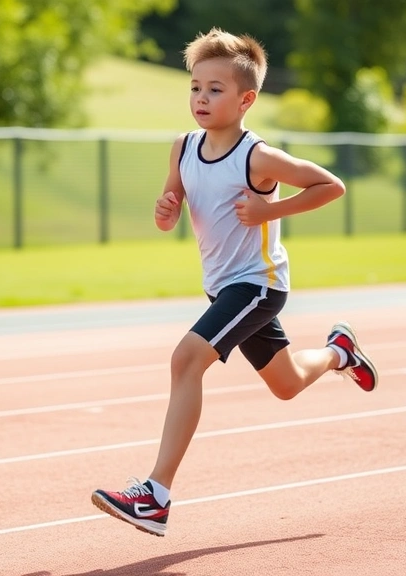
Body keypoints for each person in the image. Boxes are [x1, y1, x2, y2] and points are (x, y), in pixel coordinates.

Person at [90, 28, 379, 537]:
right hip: (223, 288)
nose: (201, 98)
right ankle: (340, 353)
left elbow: (329, 185)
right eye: (195, 87)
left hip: (259, 284)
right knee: (286, 384)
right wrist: (165, 211)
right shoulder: (183, 148)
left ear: (246, 99)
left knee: (186, 358)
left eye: (215, 89)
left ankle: (155, 496)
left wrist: (272, 207)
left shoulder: (257, 156)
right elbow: (170, 211)